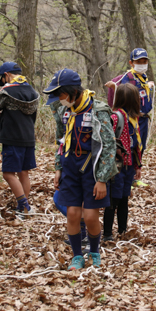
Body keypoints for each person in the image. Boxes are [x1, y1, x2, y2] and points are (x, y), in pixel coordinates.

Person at [43, 69, 118, 270]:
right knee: (73, 214)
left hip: (92, 170)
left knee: (91, 215)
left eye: (61, 94)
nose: (59, 99)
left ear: (73, 91)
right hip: (70, 168)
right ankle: (77, 255)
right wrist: (58, 167)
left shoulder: (97, 110)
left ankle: (94, 250)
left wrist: (102, 178)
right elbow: (61, 141)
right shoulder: (63, 111)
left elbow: (109, 146)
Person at [0, 62, 40, 219]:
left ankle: (25, 206)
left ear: (6, 75)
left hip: (12, 137)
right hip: (28, 137)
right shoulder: (32, 91)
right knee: (23, 172)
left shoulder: (6, 91)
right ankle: (22, 208)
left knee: (8, 173)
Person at [103, 83, 143, 241]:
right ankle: (107, 233)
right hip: (116, 167)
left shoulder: (133, 119)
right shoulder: (115, 117)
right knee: (113, 200)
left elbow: (137, 145)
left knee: (124, 199)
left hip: (128, 166)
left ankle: (122, 230)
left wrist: (137, 165)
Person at [105, 48, 154, 153]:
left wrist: (148, 86)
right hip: (132, 120)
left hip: (143, 120)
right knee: (131, 147)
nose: (142, 64)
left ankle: (138, 168)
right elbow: (125, 93)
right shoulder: (127, 78)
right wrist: (114, 87)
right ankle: (130, 168)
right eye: (138, 62)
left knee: (141, 148)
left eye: (144, 62)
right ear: (131, 63)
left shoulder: (143, 78)